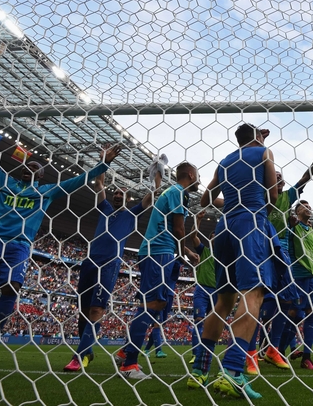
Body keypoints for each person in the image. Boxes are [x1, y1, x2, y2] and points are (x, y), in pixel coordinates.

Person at [0, 137, 120, 371]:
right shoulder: (6, 182)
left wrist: (103, 165)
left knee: (10, 289)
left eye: (35, 168)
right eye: (27, 166)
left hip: (19, 246)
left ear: (41, 175)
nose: (29, 168)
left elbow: (78, 181)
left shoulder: (46, 192)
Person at [195, 123, 278, 399]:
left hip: (224, 228)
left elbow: (206, 197)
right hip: (251, 223)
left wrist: (230, 202)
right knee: (253, 293)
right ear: (257, 137)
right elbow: (274, 195)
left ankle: (199, 372)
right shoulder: (264, 153)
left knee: (224, 301)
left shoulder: (225, 160)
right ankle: (232, 371)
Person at [63, 152, 156, 372]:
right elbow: (100, 183)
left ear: (129, 199)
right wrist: (105, 160)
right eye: (116, 193)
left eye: (122, 194)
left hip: (110, 264)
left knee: (96, 309)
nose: (117, 196)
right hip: (89, 262)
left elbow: (149, 199)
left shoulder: (132, 214)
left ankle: (78, 357)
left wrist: (156, 179)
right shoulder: (104, 209)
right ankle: (86, 352)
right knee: (84, 311)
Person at [118, 161, 200, 380]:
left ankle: (125, 350)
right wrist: (183, 254)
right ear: (191, 175)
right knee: (152, 304)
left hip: (160, 251)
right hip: (158, 251)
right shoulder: (177, 192)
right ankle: (129, 364)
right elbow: (179, 228)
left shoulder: (174, 192)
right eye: (198, 175)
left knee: (160, 303)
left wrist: (186, 253)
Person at [263, 147, 313, 369]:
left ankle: (283, 351)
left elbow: (304, 179)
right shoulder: (261, 196)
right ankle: (260, 348)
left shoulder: (289, 198)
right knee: (267, 306)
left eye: (281, 178)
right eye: (274, 177)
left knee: (297, 310)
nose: (278, 180)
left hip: (281, 253)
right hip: (262, 250)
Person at [285, 200, 313, 370]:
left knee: (311, 313)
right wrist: (290, 224)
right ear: (297, 210)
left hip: (311, 277)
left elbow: (310, 253)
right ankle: (277, 350)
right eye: (304, 206)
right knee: (294, 314)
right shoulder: (293, 226)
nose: (308, 208)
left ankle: (306, 357)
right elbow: (296, 250)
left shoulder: (311, 230)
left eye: (310, 206)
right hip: (297, 276)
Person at [187, 225, 218, 389]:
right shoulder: (204, 251)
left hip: (218, 293)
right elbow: (193, 236)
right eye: (212, 236)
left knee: (212, 326)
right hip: (202, 290)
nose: (215, 238)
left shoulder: (225, 256)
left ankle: (203, 355)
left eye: (217, 235)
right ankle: (195, 353)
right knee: (199, 321)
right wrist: (197, 221)